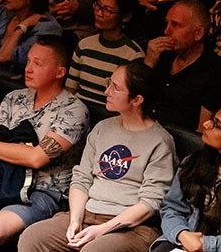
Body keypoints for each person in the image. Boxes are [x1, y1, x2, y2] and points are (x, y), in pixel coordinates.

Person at [0, 37, 89, 252]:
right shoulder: (14, 99)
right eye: (28, 61)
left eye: (38, 64)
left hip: (40, 192)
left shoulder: (73, 109)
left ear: (60, 72)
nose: (28, 69)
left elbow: (36, 158)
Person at [17, 60, 175, 252]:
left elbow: (152, 202)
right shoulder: (103, 128)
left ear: (137, 100)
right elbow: (81, 178)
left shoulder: (160, 141)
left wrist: (102, 230)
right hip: (87, 214)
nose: (107, 91)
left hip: (131, 227)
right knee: (33, 237)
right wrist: (75, 219)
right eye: (109, 83)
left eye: (115, 88)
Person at [158, 108, 221, 252]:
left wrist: (205, 244)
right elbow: (172, 207)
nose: (207, 124)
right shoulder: (193, 162)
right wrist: (181, 233)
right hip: (185, 239)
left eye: (216, 124)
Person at [142, 0, 221, 131]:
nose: (167, 31)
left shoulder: (216, 72)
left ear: (198, 33)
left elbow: (201, 130)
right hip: (141, 130)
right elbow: (133, 100)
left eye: (175, 25)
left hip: (179, 144)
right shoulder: (161, 56)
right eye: (167, 23)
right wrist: (149, 62)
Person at [66, 0, 143, 108]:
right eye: (98, 5)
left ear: (125, 17)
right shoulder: (84, 45)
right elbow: (70, 90)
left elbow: (127, 104)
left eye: (108, 10)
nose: (99, 13)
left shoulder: (133, 55)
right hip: (76, 112)